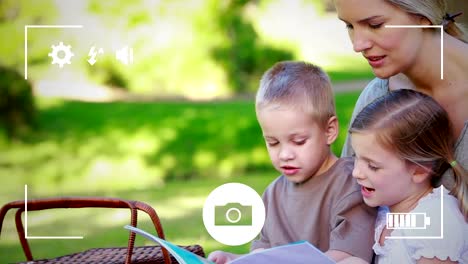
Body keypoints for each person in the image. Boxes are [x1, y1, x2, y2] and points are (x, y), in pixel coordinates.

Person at [208, 61, 376, 264]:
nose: (285, 154)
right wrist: (233, 259)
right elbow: (264, 256)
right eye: (273, 143)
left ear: (329, 131)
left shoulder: (350, 183)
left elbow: (348, 255)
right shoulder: (273, 194)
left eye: (298, 142)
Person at [334, 0, 468, 189]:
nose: (358, 45)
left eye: (375, 25)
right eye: (349, 26)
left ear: (423, 17)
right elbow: (347, 199)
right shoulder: (376, 97)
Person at [349, 89, 468, 263]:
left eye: (372, 166)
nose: (356, 173)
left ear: (419, 170)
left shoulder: (434, 221)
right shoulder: (386, 210)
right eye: (356, 158)